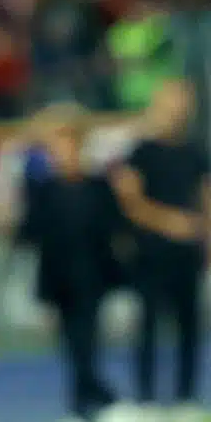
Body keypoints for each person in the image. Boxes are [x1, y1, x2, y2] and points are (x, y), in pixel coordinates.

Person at [110, 80, 208, 420]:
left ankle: (185, 398)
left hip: (187, 255)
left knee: (190, 327)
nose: (178, 110)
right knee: (148, 327)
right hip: (151, 255)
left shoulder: (195, 152)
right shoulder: (141, 152)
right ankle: (146, 399)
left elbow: (205, 196)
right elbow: (131, 203)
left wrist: (203, 233)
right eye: (172, 102)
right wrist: (171, 223)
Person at [17, 111, 121, 421]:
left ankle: (90, 390)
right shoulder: (43, 190)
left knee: (89, 335)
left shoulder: (98, 186)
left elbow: (113, 225)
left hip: (93, 274)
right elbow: (28, 232)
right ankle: (86, 392)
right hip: (59, 277)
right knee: (71, 338)